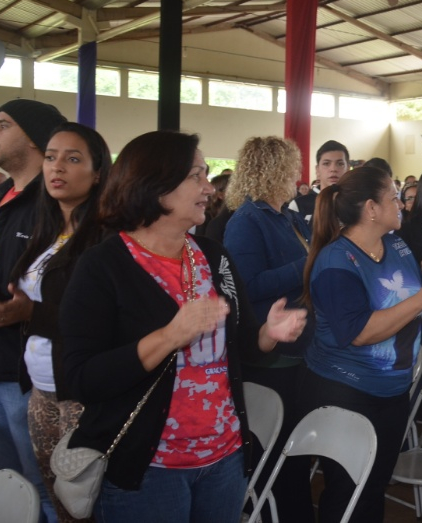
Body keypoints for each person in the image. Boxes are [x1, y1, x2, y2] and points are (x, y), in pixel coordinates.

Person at [59, 131, 307, 523]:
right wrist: (169, 337)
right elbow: (79, 377)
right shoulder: (102, 266)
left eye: (206, 174)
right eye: (196, 175)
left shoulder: (213, 256)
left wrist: (267, 333)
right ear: (155, 186)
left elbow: (241, 347)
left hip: (223, 458)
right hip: (148, 466)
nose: (209, 187)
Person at [301, 166, 422, 523]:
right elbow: (359, 332)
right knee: (350, 490)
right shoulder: (337, 260)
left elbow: (415, 301)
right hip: (347, 392)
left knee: (374, 485)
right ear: (371, 208)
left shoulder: (396, 244)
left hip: (392, 389)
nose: (401, 203)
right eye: (393, 197)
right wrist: (419, 300)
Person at [8, 123, 109, 523]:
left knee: (89, 502)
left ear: (98, 172)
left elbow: (97, 320)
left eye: (73, 159)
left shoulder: (104, 238)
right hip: (41, 389)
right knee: (59, 503)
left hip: (79, 394)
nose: (57, 168)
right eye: (50, 157)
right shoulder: (47, 230)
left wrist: (30, 314)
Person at [222, 136, 314, 523]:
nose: (298, 174)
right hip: (269, 354)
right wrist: (305, 267)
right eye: (292, 166)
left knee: (294, 453)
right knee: (278, 456)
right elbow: (246, 285)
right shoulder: (246, 220)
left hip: (296, 348)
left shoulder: (285, 217)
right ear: (273, 170)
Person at [0, 98, 66, 523]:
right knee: (4, 480)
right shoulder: (1, 195)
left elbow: (78, 297)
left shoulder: (54, 205)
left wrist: (28, 313)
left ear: (35, 139)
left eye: (4, 124)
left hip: (27, 374)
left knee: (44, 487)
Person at [289, 140, 349, 225]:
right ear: (317, 170)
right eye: (326, 163)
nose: (333, 169)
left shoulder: (358, 203)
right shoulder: (298, 205)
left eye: (340, 164)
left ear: (347, 168)